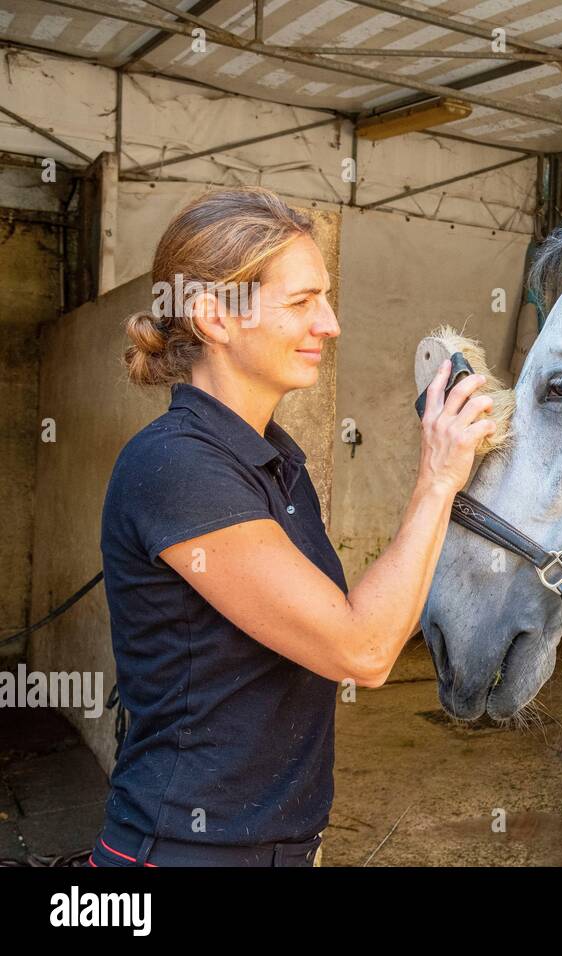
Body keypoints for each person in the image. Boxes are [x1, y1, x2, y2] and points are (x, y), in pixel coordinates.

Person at [89, 187, 494, 866]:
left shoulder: (272, 461)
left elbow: (354, 620)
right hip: (186, 851)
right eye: (303, 302)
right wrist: (436, 481)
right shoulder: (177, 467)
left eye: (325, 298)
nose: (330, 324)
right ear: (215, 317)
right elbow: (362, 650)